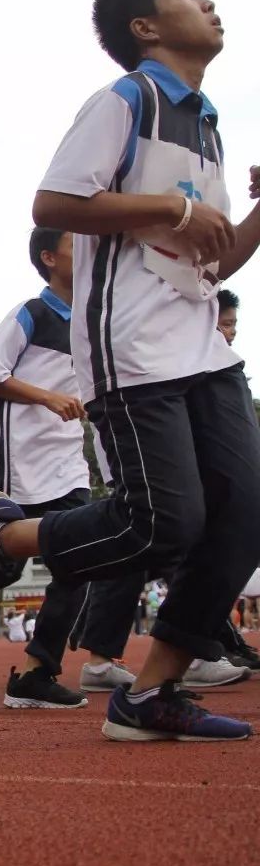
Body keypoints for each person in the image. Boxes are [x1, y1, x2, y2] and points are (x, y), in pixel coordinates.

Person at [0, 0, 260, 741]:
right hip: (131, 348)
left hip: (200, 344)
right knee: (163, 524)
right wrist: (171, 205)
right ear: (146, 28)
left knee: (245, 513)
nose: (206, 2)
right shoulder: (127, 101)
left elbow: (211, 260)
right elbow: (53, 203)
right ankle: (1, 537)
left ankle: (149, 697)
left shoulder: (205, 121)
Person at [71, 286, 254, 688]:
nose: (229, 332)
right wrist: (177, 215)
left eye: (232, 326)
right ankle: (1, 539)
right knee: (156, 533)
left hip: (177, 423)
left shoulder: (213, 362)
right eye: (224, 324)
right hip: (139, 436)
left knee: (172, 535)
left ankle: (196, 650)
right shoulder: (119, 312)